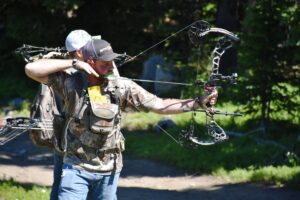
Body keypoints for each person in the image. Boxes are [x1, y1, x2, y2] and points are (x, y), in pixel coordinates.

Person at [25, 38, 217, 200]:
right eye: (104, 63)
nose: (111, 67)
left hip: (109, 170)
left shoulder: (121, 87)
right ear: (90, 62)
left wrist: (198, 103)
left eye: (112, 62)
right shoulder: (71, 81)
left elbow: (159, 105)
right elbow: (31, 69)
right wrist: (73, 63)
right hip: (76, 166)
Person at [50, 30, 121, 200]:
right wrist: (74, 63)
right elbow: (33, 69)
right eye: (87, 49)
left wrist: (106, 60)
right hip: (69, 143)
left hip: (94, 147)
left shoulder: (97, 74)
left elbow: (115, 81)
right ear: (80, 53)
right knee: (61, 188)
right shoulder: (68, 74)